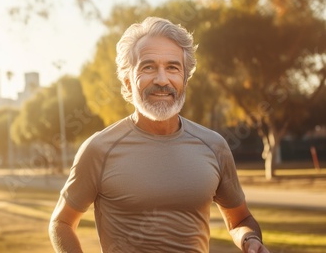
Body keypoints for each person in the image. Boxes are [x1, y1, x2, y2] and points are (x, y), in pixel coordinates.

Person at [48, 17, 270, 253]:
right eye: (148, 67)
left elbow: (239, 221)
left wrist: (249, 240)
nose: (162, 80)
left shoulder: (214, 146)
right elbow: (61, 223)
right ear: (128, 81)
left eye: (173, 67)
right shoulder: (99, 148)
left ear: (184, 79)